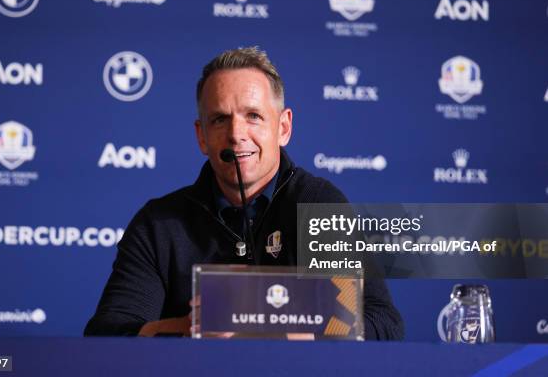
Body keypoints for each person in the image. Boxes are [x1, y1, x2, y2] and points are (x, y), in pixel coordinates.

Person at [84, 47, 404, 340]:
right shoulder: (159, 224)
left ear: (283, 128)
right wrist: (186, 329)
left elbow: (381, 322)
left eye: (253, 116)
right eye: (220, 119)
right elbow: (107, 334)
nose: (236, 135)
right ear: (202, 137)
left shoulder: (318, 205)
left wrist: (304, 324)